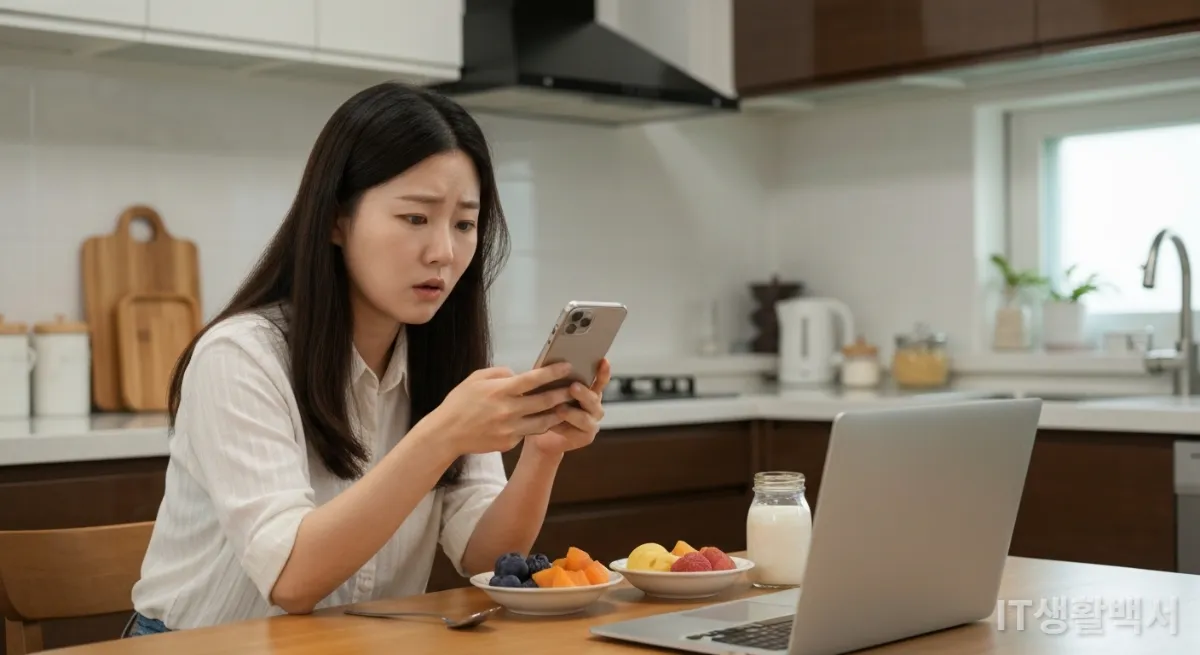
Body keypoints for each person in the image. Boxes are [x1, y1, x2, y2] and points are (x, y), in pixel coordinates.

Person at [125, 82, 609, 636]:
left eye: (464, 224)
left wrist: (543, 452)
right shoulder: (240, 357)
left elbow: (484, 560)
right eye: (415, 218)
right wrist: (443, 434)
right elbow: (292, 580)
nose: (444, 252)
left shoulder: (445, 356)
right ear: (336, 219)